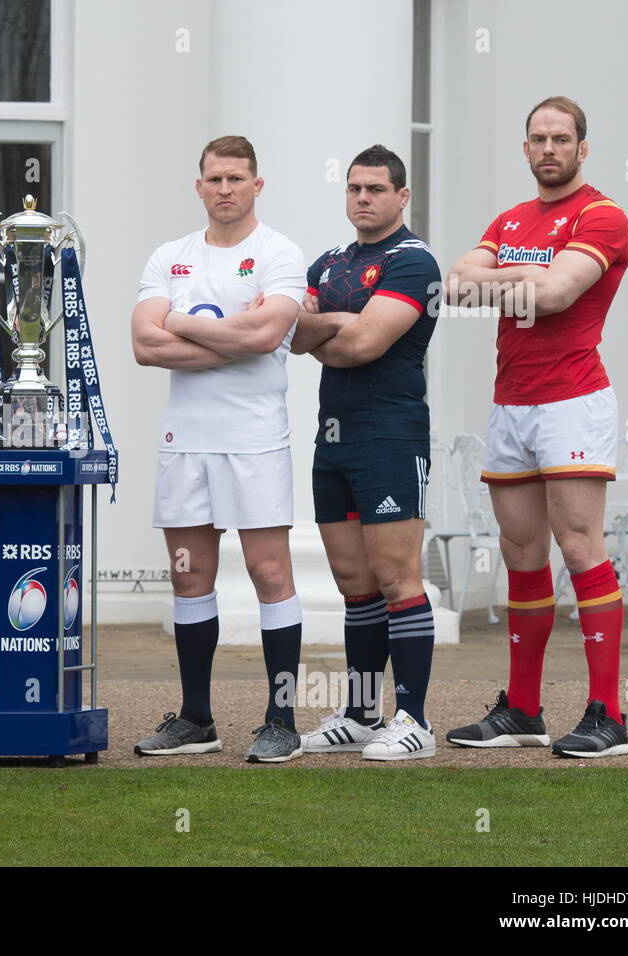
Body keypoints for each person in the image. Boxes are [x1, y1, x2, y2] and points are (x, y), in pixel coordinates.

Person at [445, 96, 628, 758]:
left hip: (571, 401)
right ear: (525, 149)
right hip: (512, 401)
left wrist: (511, 277)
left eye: (561, 138)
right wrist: (534, 274)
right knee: (521, 554)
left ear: (583, 149)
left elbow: (557, 295)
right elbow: (456, 285)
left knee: (580, 548)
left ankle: (607, 715)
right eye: (537, 138)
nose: (548, 148)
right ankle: (524, 710)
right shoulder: (510, 217)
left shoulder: (603, 215)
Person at [131, 135, 308, 763]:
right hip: (186, 440)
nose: (225, 189)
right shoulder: (169, 256)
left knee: (269, 573)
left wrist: (180, 322)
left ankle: (280, 719)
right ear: (199, 186)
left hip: (255, 438)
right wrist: (232, 337)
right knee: (190, 578)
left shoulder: (280, 252)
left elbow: (267, 335)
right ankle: (196, 718)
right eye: (215, 179)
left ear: (257, 185)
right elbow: (144, 346)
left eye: (237, 178)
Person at [290, 145, 442, 761]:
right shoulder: (329, 262)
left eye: (376, 189)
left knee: (397, 577)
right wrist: (335, 325)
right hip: (334, 435)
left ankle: (414, 720)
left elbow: (364, 344)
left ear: (402, 196)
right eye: (354, 188)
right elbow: (293, 334)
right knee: (353, 581)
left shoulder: (415, 261)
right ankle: (359, 713)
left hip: (391, 432)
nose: (362, 198)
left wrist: (327, 327)